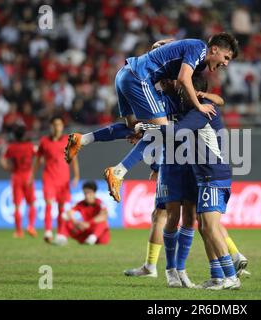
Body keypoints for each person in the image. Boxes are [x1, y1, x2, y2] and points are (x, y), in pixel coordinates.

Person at [64, 33, 239, 203]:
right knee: (162, 132)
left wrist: (157, 48)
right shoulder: (200, 49)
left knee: (133, 128)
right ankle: (118, 171)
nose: (225, 63)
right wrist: (199, 105)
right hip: (139, 78)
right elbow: (183, 77)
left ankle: (82, 139)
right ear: (214, 49)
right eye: (226, 57)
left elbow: (171, 54)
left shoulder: (196, 61)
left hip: (125, 74)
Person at [135, 74, 241, 290]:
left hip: (214, 176)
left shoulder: (202, 110)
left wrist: (145, 128)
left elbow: (175, 130)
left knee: (210, 227)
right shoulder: (199, 107)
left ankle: (231, 276)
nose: (182, 93)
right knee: (204, 227)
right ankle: (217, 276)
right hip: (205, 177)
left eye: (185, 89)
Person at [30, 116, 80, 243]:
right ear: (51, 127)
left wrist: (76, 176)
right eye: (55, 125)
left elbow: (74, 159)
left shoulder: (68, 141)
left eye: (60, 125)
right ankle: (47, 231)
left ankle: (60, 233)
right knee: (48, 203)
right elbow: (37, 160)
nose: (58, 127)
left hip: (64, 179)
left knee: (62, 208)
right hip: (49, 177)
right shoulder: (44, 141)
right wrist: (32, 175)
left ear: (62, 127)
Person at [0, 124, 37, 238]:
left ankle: (18, 231)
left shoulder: (11, 147)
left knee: (17, 206)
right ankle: (30, 226)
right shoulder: (30, 146)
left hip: (16, 176)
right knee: (32, 203)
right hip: (28, 176)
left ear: (14, 135)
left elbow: (1, 160)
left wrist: (8, 168)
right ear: (24, 134)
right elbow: (40, 156)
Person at [53, 181, 110, 246]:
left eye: (89, 193)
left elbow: (104, 216)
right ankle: (62, 238)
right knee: (65, 218)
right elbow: (68, 213)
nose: (87, 196)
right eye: (85, 193)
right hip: (85, 232)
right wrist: (76, 222)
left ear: (94, 193)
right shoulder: (81, 204)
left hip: (99, 235)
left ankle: (93, 238)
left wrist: (88, 223)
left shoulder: (100, 203)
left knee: (103, 223)